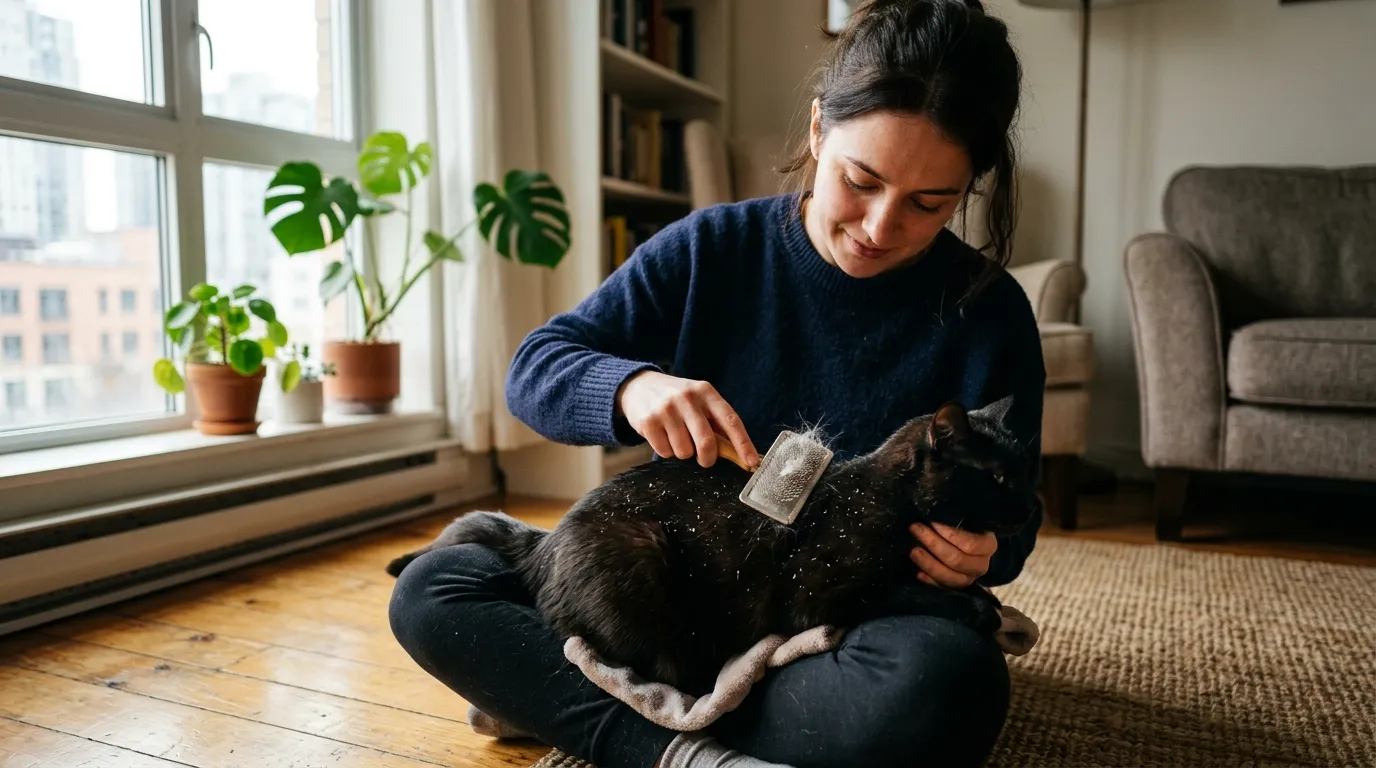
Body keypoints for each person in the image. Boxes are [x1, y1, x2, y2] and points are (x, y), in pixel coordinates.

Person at [389, 0, 1043, 766]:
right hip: (680, 599)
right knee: (434, 591)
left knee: (945, 684)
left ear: (970, 187)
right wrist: (631, 387)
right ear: (816, 132)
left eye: (930, 204)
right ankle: (682, 743)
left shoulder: (989, 311)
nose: (877, 226)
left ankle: (593, 705)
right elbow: (537, 369)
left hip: (846, 622)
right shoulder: (712, 249)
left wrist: (980, 555)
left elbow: (1014, 524)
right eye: (858, 181)